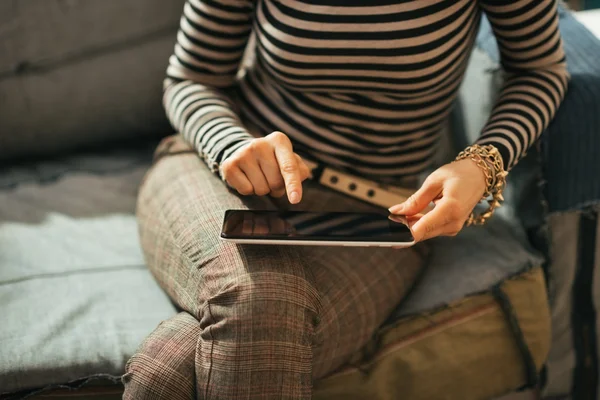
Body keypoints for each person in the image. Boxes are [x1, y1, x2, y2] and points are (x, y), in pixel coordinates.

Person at [123, 0, 569, 398]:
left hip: (382, 212)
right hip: (222, 173)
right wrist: (230, 144)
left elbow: (541, 70)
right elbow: (189, 78)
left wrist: (482, 161)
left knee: (174, 369)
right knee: (260, 294)